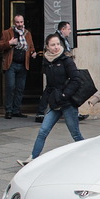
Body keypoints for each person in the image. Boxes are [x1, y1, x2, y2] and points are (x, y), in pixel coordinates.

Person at [17, 33, 83, 166]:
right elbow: (49, 86)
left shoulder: (67, 60)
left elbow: (76, 80)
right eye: (53, 45)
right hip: (55, 103)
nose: (56, 47)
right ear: (47, 47)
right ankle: (32, 158)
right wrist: (43, 104)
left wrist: (65, 95)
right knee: (43, 131)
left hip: (68, 103)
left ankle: (89, 155)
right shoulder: (47, 62)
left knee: (75, 134)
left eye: (58, 44)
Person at [0, 15, 37, 119]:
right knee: (10, 87)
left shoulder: (27, 33)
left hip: (23, 64)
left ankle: (16, 110)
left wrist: (33, 52)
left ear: (24, 22)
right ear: (14, 23)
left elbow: (31, 46)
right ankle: (8, 110)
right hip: (11, 64)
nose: (20, 24)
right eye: (17, 22)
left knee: (20, 88)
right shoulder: (7, 32)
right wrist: (9, 43)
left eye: (21, 22)